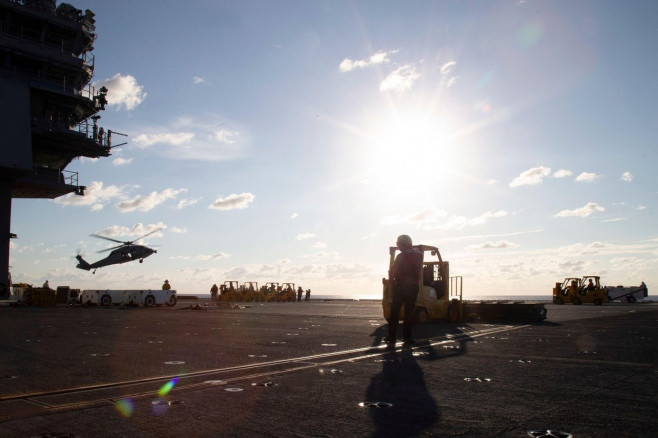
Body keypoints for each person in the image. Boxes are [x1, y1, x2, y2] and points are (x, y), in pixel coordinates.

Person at [386, 234, 423, 345]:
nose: (398, 246)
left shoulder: (400, 257)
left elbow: (392, 271)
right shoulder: (419, 255)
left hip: (401, 287)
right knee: (409, 313)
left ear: (403, 244)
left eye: (398, 244)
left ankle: (391, 337)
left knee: (394, 312)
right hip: (413, 287)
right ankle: (407, 338)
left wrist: (392, 283)